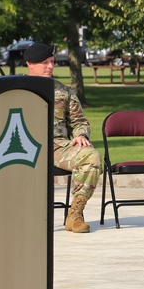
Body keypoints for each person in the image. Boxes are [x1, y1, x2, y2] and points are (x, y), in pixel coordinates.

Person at [24, 42, 103, 233]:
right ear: (30, 64)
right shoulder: (15, 90)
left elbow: (79, 121)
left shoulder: (63, 91)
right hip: (24, 147)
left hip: (58, 147)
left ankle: (75, 214)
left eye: (52, 62)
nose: (50, 66)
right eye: (45, 63)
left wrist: (81, 135)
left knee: (92, 157)